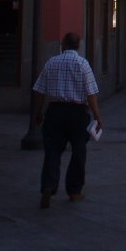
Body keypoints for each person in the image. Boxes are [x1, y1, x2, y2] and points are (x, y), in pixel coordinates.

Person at [33, 31, 102, 208]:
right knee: (79, 152)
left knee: (52, 151)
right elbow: (91, 93)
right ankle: (74, 190)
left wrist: (39, 112)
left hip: (55, 111)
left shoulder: (51, 62)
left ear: (63, 44)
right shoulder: (82, 64)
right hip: (77, 113)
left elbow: (39, 90)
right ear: (78, 45)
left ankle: (48, 185)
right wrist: (97, 116)